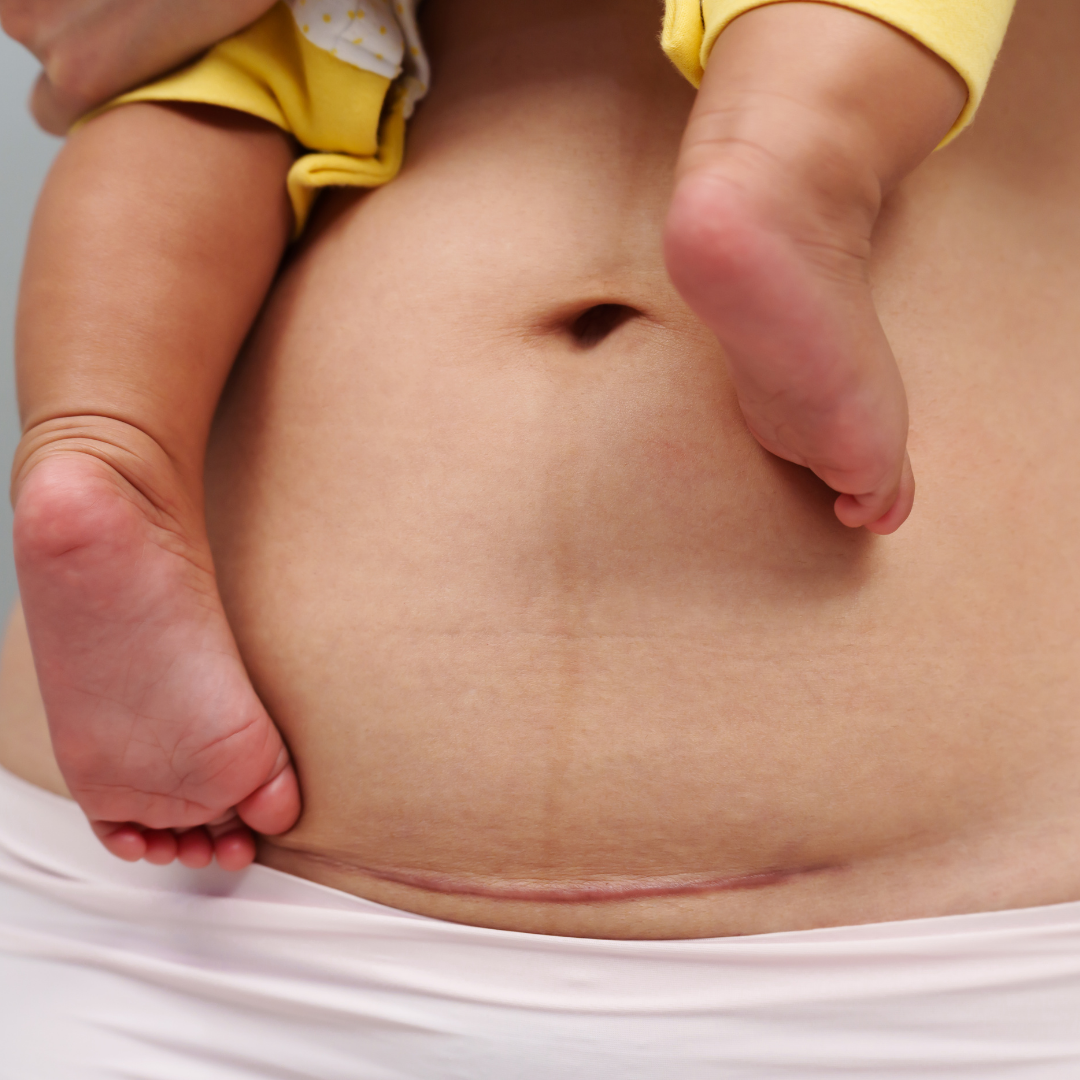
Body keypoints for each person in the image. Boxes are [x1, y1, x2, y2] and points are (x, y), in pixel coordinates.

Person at [3, 0, 1080, 1073]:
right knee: (201, 76)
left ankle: (101, 439)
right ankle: (788, 164)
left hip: (976, 970)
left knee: (220, 90)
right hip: (153, 936)